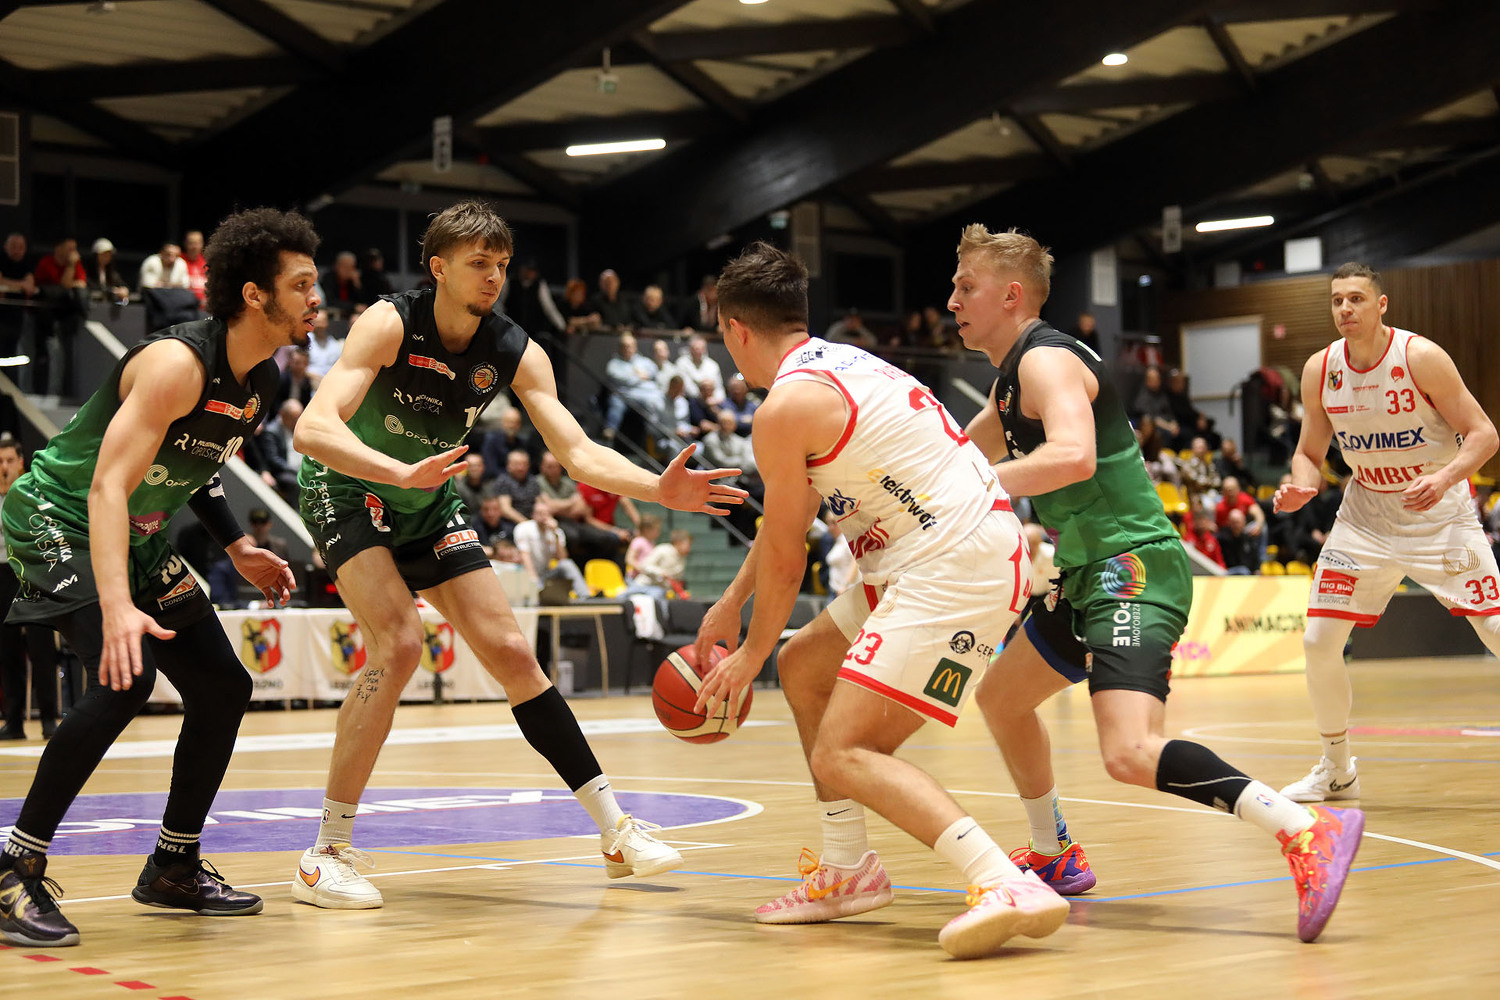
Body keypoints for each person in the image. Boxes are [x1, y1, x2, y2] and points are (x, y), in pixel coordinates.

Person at [288, 199, 745, 910]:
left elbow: (579, 452)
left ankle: (615, 831)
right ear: (438, 268)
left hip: (427, 499)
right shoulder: (388, 322)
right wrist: (398, 472)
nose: (494, 276)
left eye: (501, 264)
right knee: (399, 644)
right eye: (479, 263)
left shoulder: (514, 348)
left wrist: (658, 488)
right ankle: (324, 854)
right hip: (347, 490)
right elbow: (313, 429)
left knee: (512, 651)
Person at [950, 224, 1362, 944]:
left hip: (1131, 568)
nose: (952, 300)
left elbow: (1073, 456)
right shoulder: (1010, 379)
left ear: (1011, 295)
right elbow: (951, 457)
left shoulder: (1046, 360)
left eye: (965, 286)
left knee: (1129, 752)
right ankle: (1054, 853)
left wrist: (973, 490)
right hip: (1087, 574)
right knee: (1002, 699)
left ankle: (1304, 828)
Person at [691, 242, 1067, 960]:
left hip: (950, 563)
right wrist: (733, 603)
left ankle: (1003, 881)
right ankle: (847, 870)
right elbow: (787, 524)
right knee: (805, 668)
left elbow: (787, 558)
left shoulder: (784, 408)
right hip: (928, 552)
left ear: (734, 329)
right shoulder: (841, 364)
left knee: (844, 751)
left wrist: (749, 653)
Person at [0, 207, 313, 948]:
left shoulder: (261, 380)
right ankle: (14, 867)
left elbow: (196, 467)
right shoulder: (176, 364)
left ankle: (173, 865)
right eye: (301, 284)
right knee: (125, 679)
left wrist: (237, 545)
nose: (315, 298)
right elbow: (108, 484)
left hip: (135, 532)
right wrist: (117, 606)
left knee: (223, 686)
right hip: (59, 514)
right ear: (255, 295)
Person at [1274, 262, 1500, 802]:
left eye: (1356, 298)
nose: (1345, 309)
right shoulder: (1321, 368)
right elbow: (1309, 452)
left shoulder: (1420, 357)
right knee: (1318, 642)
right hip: (1366, 518)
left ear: (1381, 305)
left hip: (1438, 514)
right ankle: (1337, 769)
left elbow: (1483, 434)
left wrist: (1444, 478)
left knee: (1495, 629)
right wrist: (1301, 485)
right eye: (1336, 300)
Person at [0, 436, 61, 741]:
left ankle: (49, 717)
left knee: (41, 646)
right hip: (2, 574)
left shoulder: (33, 492)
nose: (4, 467)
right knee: (7, 648)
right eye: (0, 462)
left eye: (9, 460)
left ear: (21, 462)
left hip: (33, 570)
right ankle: (13, 720)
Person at [181, 230, 208, 307]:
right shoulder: (179, 262)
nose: (194, 247)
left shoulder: (207, 262)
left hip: (205, 308)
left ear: (202, 244)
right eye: (191, 243)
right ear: (185, 244)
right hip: (185, 306)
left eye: (197, 243)